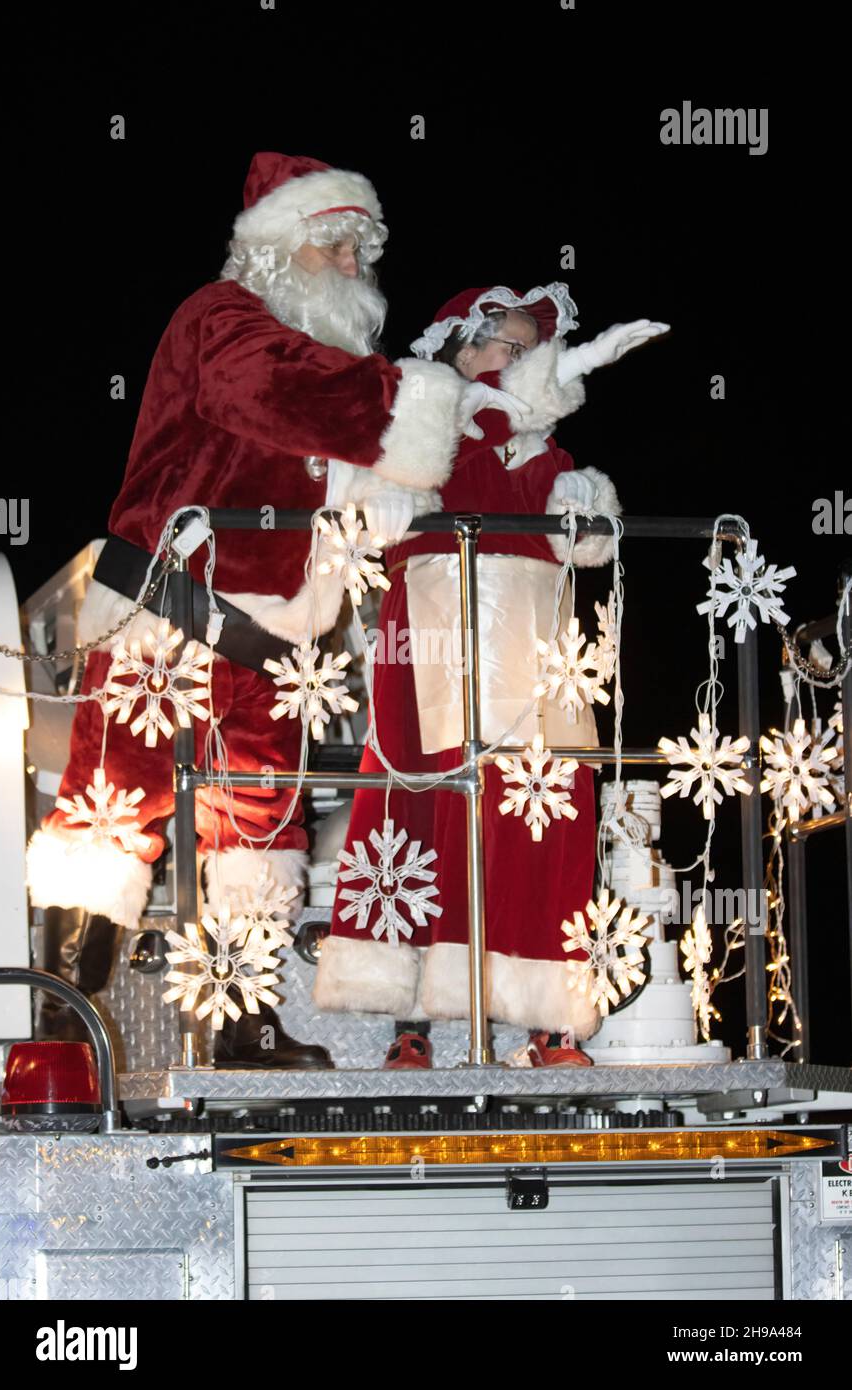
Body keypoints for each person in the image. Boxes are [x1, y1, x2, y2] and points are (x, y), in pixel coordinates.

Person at [24, 153, 508, 1063]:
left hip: (276, 640)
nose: (356, 266)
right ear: (281, 245)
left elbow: (339, 461)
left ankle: (242, 1026)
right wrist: (418, 405)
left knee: (259, 826)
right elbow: (274, 392)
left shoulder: (335, 366)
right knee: (108, 810)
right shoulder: (221, 321)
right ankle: (59, 1026)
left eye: (364, 250)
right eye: (336, 247)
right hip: (165, 615)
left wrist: (389, 484)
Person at [312, 284, 668, 1067]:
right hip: (433, 650)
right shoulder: (421, 418)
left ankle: (551, 1020)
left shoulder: (543, 451)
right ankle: (410, 1022)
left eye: (525, 349)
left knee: (542, 824)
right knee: (420, 817)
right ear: (460, 343)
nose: (519, 360)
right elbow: (377, 504)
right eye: (507, 344)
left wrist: (582, 504)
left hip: (535, 659)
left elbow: (586, 544)